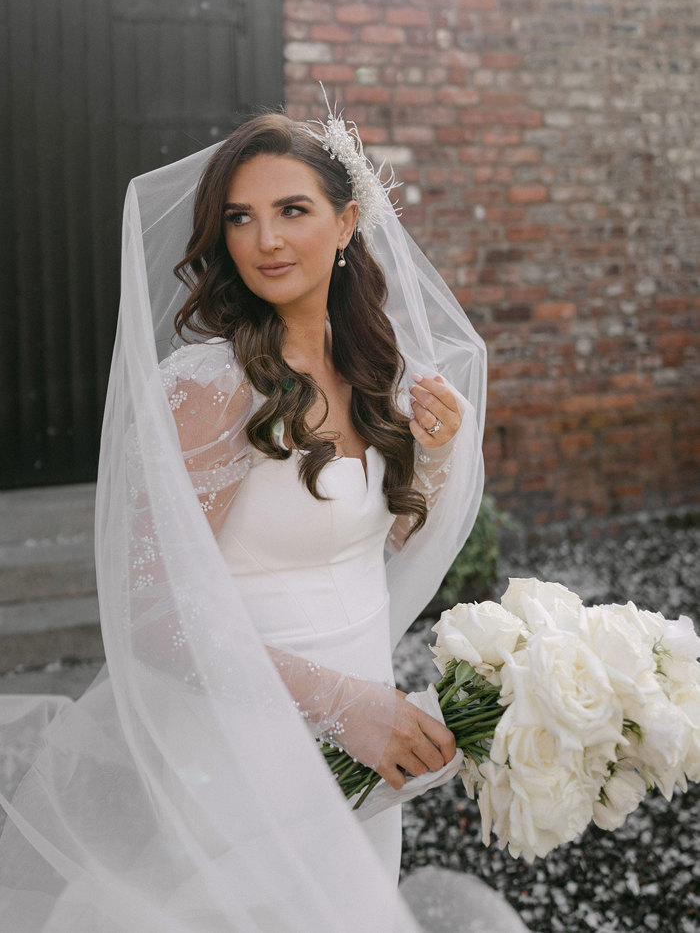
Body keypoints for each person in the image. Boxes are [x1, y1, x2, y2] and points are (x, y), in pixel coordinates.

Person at [0, 95, 520, 932]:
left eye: (291, 211)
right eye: (241, 218)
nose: (264, 240)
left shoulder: (378, 371)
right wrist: (342, 705)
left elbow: (381, 542)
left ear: (348, 224)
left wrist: (434, 454)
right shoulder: (211, 388)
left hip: (361, 718)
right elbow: (153, 616)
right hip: (237, 737)